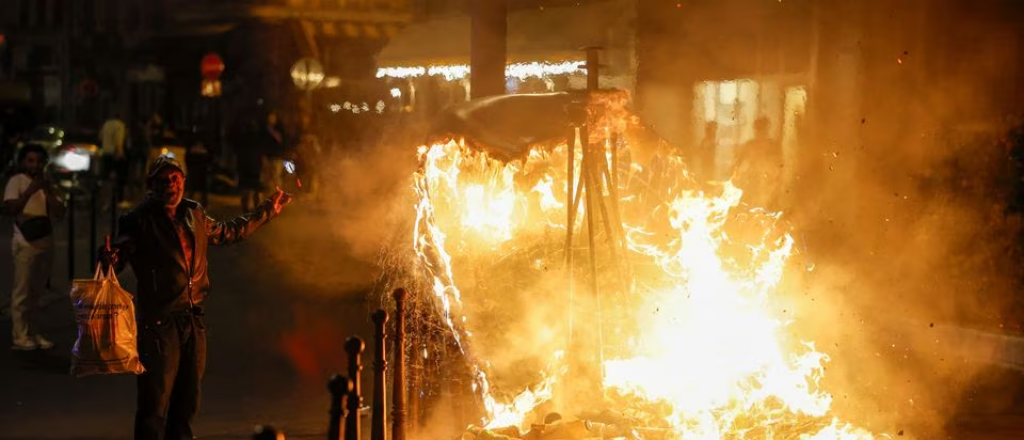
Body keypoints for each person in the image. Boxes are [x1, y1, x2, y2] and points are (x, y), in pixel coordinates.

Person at [101, 154, 291, 440]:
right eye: (163, 180)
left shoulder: (194, 213)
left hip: (193, 319)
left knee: (188, 399)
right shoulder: (138, 219)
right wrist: (110, 258)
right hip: (159, 322)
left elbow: (228, 232)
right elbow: (122, 251)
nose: (170, 184)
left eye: (175, 178)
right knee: (154, 401)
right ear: (152, 185)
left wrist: (267, 211)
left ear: (184, 181)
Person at [3, 143, 66, 350]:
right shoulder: (16, 181)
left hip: (45, 241)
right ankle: (20, 335)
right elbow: (11, 208)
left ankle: (34, 331)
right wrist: (30, 191)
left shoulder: (48, 184)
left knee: (38, 293)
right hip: (25, 241)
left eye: (39, 161)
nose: (35, 165)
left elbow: (59, 212)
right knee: (22, 291)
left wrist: (47, 190)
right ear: (23, 162)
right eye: (30, 161)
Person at [733, 117, 783, 208]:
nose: (761, 131)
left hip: (768, 185)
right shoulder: (749, 146)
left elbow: (778, 167)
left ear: (767, 129)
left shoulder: (773, 147)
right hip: (752, 184)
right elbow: (740, 166)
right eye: (759, 128)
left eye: (763, 128)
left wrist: (774, 183)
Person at [100, 113, 129, 205]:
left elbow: (100, 136)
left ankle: (104, 200)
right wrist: (120, 154)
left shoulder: (106, 124)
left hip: (105, 152)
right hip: (115, 153)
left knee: (105, 177)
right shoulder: (120, 125)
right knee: (120, 177)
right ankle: (120, 200)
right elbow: (118, 141)